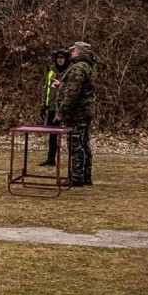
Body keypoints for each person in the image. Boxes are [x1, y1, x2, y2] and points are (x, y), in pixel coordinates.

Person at [54, 41, 96, 186]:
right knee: (83, 144)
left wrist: (61, 113)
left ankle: (77, 178)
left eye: (74, 50)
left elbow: (72, 94)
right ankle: (85, 176)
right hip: (83, 112)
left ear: (80, 52)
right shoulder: (86, 67)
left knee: (76, 144)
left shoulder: (78, 68)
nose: (71, 52)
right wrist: (63, 85)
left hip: (77, 114)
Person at [39, 49, 71, 166]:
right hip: (52, 107)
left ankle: (73, 161)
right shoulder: (52, 71)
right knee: (52, 134)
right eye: (58, 58)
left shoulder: (70, 71)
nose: (60, 60)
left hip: (65, 107)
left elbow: (71, 89)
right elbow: (46, 89)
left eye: (62, 58)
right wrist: (43, 105)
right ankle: (51, 158)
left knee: (70, 134)